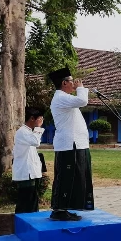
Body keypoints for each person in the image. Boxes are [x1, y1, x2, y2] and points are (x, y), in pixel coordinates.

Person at [49, 67, 94, 221]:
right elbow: (82, 100)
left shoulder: (65, 98)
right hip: (69, 144)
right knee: (66, 177)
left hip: (76, 144)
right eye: (71, 80)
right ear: (64, 83)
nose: (74, 83)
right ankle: (59, 210)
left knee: (76, 177)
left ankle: (66, 208)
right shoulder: (61, 97)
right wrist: (81, 88)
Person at [12, 107, 46, 214]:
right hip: (25, 173)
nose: (41, 121)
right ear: (32, 118)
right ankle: (20, 225)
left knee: (32, 202)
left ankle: (32, 223)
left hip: (31, 172)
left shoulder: (28, 132)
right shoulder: (22, 132)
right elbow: (36, 142)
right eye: (39, 119)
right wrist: (39, 128)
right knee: (25, 202)